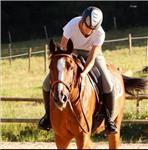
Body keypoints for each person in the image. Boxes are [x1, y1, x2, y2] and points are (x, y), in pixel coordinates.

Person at [38, 6, 118, 134]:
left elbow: (92, 58)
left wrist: (84, 73)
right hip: (71, 53)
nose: (89, 31)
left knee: (108, 83)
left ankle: (109, 120)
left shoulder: (100, 33)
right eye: (87, 26)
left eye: (93, 29)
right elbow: (63, 47)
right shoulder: (72, 24)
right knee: (46, 84)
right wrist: (66, 62)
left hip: (92, 54)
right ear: (82, 20)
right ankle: (47, 117)